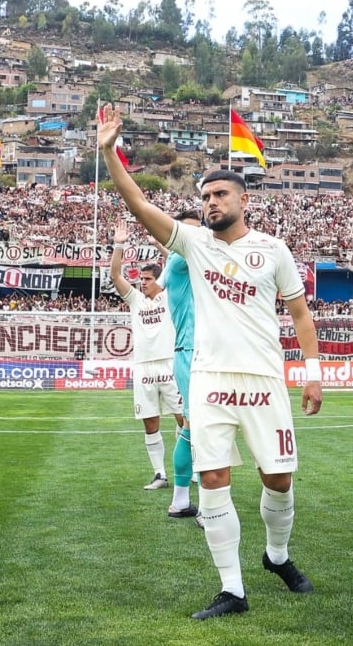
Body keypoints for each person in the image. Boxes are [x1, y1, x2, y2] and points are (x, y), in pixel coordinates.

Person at [98, 105, 323, 620]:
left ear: (243, 200)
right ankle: (233, 590)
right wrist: (110, 153)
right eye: (204, 197)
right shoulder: (193, 244)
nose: (211, 202)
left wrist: (312, 376)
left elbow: (302, 316)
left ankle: (276, 556)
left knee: (279, 481)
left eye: (220, 194)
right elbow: (136, 203)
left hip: (266, 380)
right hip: (209, 381)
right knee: (215, 479)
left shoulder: (274, 250)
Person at [108, 221, 182, 492]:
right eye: (141, 279)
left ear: (159, 281)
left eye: (148, 279)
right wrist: (119, 244)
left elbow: (174, 262)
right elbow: (116, 275)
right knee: (150, 422)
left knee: (183, 419)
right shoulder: (136, 300)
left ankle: (188, 467)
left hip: (170, 364)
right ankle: (160, 474)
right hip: (143, 367)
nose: (143, 283)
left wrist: (158, 244)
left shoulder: (171, 296)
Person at [159, 209, 203, 521]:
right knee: (194, 426)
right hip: (191, 352)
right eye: (188, 231)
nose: (196, 237)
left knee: (201, 427)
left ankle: (184, 501)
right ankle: (192, 503)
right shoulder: (179, 261)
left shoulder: (188, 262)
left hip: (204, 351)